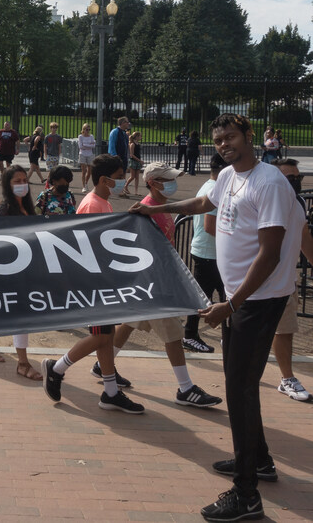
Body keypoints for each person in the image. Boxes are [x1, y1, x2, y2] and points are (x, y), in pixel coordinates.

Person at [129, 114, 305, 522]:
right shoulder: (228, 176)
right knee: (239, 385)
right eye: (218, 139)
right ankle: (259, 462)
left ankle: (247, 496)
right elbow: (203, 203)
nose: (223, 143)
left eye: (231, 137)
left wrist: (234, 302)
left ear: (250, 137)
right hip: (239, 299)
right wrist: (156, 207)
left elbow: (272, 252)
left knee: (240, 391)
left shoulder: (270, 183)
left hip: (257, 301)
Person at [105, 162, 222, 409]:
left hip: (153, 281)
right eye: (167, 179)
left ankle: (99, 364)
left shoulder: (159, 207)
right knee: (173, 335)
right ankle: (186, 388)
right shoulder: (146, 209)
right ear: (152, 183)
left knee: (129, 323)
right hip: (154, 283)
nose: (172, 183)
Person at [42, 154, 145, 414]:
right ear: (104, 179)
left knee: (106, 337)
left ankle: (110, 392)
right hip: (93, 282)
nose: (123, 182)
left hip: (101, 280)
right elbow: (83, 246)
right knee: (101, 337)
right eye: (120, 178)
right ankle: (57, 368)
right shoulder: (92, 205)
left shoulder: (102, 203)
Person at [0, 165, 44, 381]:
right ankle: (23, 363)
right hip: (9, 271)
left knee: (10, 312)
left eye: (23, 180)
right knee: (20, 316)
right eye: (16, 181)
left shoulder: (28, 207)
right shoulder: (3, 208)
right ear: (7, 186)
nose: (21, 184)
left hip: (27, 269)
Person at [266, 158, 311, 402]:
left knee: (285, 330)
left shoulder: (300, 202)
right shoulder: (261, 202)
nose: (295, 182)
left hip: (285, 280)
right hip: (255, 281)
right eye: (289, 178)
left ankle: (287, 379)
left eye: (297, 178)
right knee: (247, 334)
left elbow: (304, 237)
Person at [184, 153, 227, 354]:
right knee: (224, 298)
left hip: (206, 251)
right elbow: (211, 226)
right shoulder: (216, 190)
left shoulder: (209, 186)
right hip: (211, 253)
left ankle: (192, 334)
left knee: (204, 298)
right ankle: (192, 335)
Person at [77, 123, 95, 192]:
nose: (88, 131)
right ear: (83, 129)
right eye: (86, 129)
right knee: (84, 171)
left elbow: (93, 146)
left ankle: (86, 183)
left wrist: (86, 145)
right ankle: (83, 186)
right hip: (82, 154)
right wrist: (89, 145)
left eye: (89, 129)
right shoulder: (80, 136)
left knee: (89, 171)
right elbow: (80, 146)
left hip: (90, 154)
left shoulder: (91, 136)